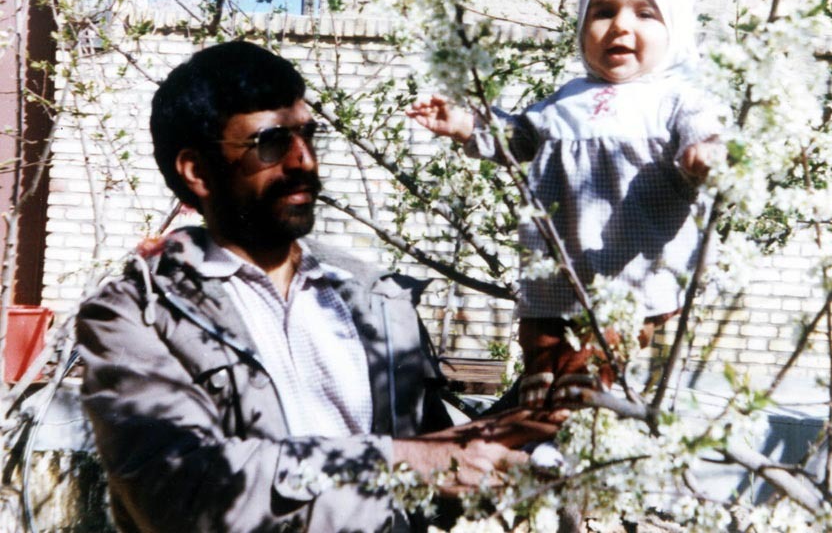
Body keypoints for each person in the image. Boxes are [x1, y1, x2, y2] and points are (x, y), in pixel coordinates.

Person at [77, 40, 565, 533]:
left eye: (308, 136)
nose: (304, 161)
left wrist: (547, 403)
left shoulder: (375, 300)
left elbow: (439, 474)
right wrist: (408, 463)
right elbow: (180, 493)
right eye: (271, 143)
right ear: (198, 171)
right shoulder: (137, 315)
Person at [408, 0, 725, 408]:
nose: (620, 26)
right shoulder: (566, 99)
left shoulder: (677, 97)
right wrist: (466, 124)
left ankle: (576, 412)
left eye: (644, 14)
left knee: (599, 367)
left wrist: (705, 153)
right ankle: (539, 399)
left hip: (634, 280)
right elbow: (518, 137)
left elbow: (705, 133)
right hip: (555, 276)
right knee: (541, 345)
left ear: (675, 29)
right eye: (603, 12)